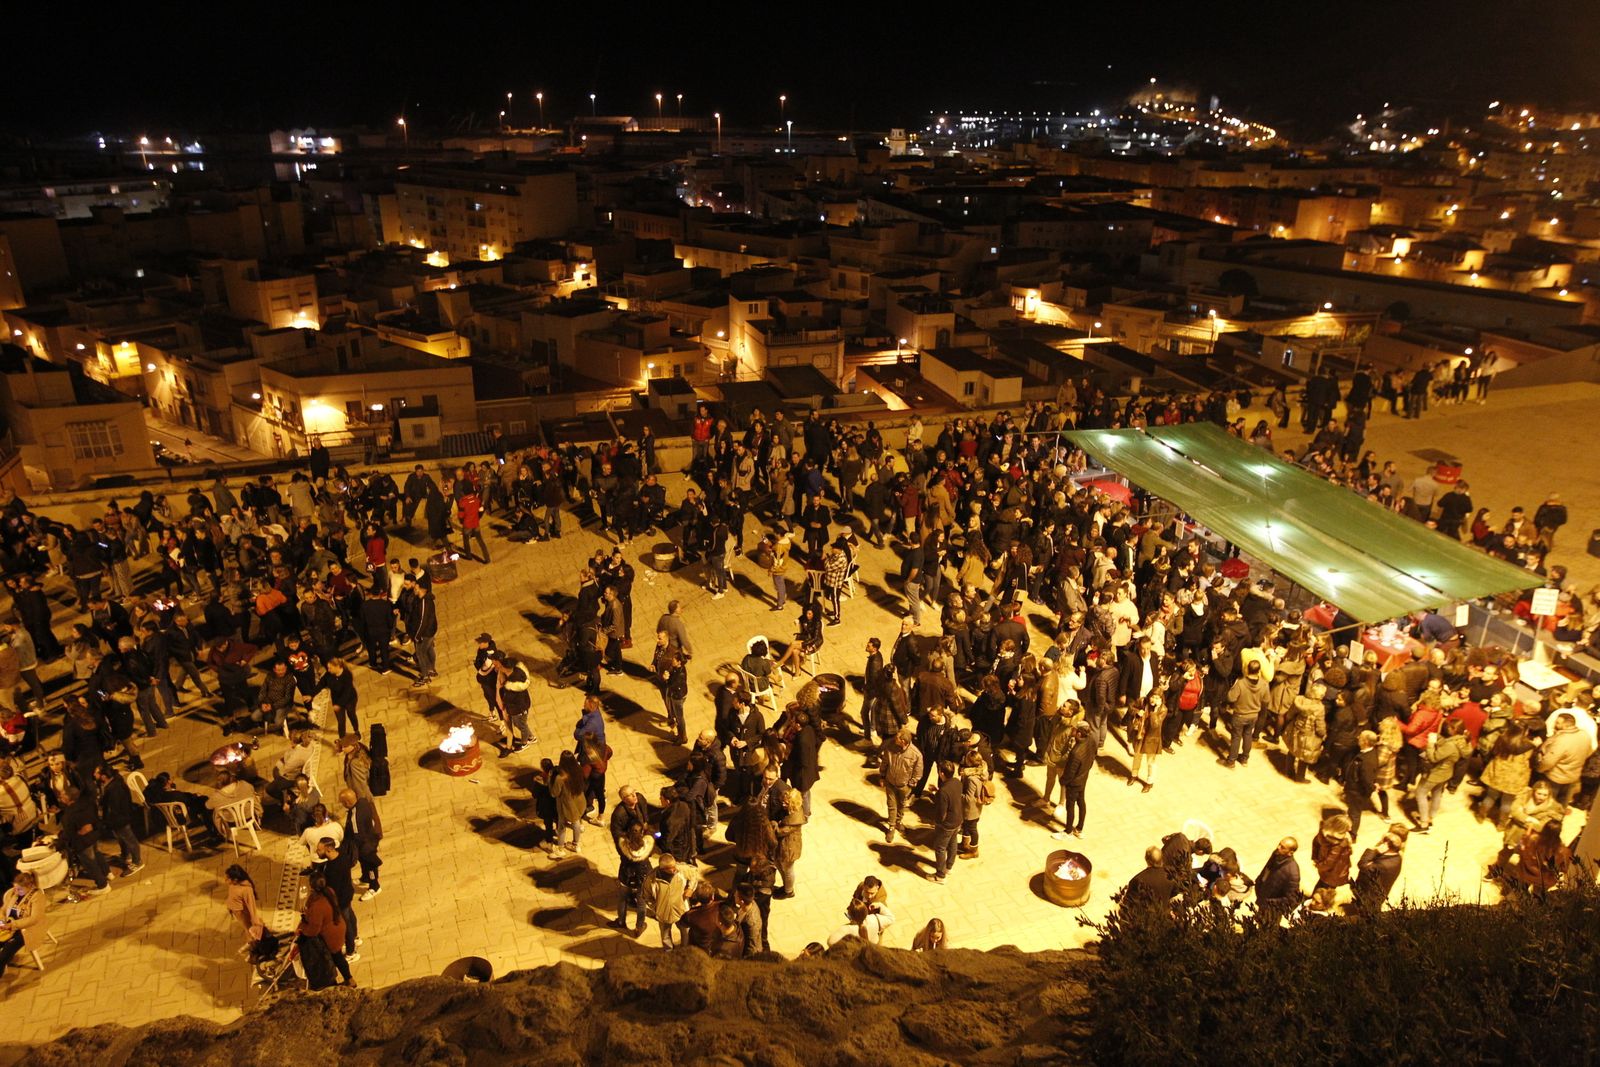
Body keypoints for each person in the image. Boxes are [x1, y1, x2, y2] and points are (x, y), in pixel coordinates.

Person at [297, 871, 353, 989]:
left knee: (335, 957)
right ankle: (349, 979)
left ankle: (347, 980)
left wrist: (302, 928)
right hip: (338, 927)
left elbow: (313, 930)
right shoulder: (329, 891)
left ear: (312, 886)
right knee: (338, 956)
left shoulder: (318, 906)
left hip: (331, 935)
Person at [1351, 824, 1409, 915]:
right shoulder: (1395, 854)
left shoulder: (1385, 864)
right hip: (1372, 891)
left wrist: (1374, 850)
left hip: (1370, 895)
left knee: (1366, 912)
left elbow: (1362, 864)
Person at [878, 727, 922, 844]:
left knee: (901, 805)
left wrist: (910, 785)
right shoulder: (890, 747)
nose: (895, 739)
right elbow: (885, 762)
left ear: (903, 741)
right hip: (890, 782)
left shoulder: (916, 754)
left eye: (897, 738)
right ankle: (891, 826)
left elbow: (918, 772)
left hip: (904, 786)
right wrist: (882, 776)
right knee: (891, 805)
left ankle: (898, 821)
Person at [0, 871, 48, 977]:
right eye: (15, 888)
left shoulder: (37, 896)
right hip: (9, 925)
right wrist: (2, 920)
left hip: (28, 930)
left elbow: (34, 919)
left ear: (29, 886)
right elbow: (3, 909)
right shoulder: (13, 893)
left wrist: (12, 925)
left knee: (5, 952)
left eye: (19, 889)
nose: (16, 891)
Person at [338, 787, 383, 901]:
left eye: (342, 802)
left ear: (347, 803)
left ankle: (374, 886)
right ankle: (365, 878)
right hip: (371, 837)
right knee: (364, 863)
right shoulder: (363, 802)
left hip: (365, 847)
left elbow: (358, 836)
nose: (342, 805)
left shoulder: (355, 819)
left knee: (370, 865)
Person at [609, 823, 654, 934]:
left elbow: (617, 834)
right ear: (642, 833)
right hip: (643, 877)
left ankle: (621, 922)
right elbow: (651, 835)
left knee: (623, 898)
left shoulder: (622, 845)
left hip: (626, 875)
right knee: (641, 902)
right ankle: (639, 927)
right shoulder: (648, 844)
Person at [929, 760, 963, 885]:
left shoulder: (943, 791)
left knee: (940, 848)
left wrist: (937, 823)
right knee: (953, 843)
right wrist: (937, 792)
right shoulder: (957, 782)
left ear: (941, 773)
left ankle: (940, 876)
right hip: (958, 819)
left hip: (947, 824)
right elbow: (951, 797)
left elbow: (942, 812)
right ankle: (949, 867)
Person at [1308, 816, 1352, 914]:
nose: (1349, 830)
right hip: (1335, 874)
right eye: (1346, 828)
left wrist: (1316, 860)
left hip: (1328, 872)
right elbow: (1329, 863)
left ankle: (1313, 902)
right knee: (1326, 893)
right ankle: (1318, 908)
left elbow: (1315, 843)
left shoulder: (1323, 831)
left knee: (1321, 885)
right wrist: (1319, 865)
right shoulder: (1340, 843)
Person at [1254, 837, 1301, 925]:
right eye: (1279, 844)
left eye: (1282, 847)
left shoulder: (1292, 872)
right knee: (1260, 921)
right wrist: (1259, 882)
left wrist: (1270, 902)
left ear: (1290, 853)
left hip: (1272, 909)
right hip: (1263, 898)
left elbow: (1291, 899)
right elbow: (1267, 868)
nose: (1278, 847)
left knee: (1269, 928)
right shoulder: (1276, 853)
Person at [1121, 845, 1178, 916]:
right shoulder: (1170, 873)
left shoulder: (1138, 879)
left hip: (1146, 919)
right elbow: (1175, 891)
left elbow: (1129, 901)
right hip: (1164, 916)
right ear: (1161, 858)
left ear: (1147, 860)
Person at [551, 752, 587, 857]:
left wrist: (550, 781)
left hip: (566, 805)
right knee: (577, 822)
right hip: (580, 800)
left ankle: (560, 849)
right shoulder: (578, 769)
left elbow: (554, 793)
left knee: (562, 826)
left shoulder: (560, 778)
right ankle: (575, 844)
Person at [222, 864, 265, 954]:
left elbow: (251, 906)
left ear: (235, 880)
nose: (225, 880)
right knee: (247, 928)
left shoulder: (246, 890)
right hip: (236, 911)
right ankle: (254, 942)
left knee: (249, 930)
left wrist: (255, 921)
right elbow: (232, 896)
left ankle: (255, 948)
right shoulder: (233, 885)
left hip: (242, 913)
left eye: (227, 879)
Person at [318, 658, 359, 739]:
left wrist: (339, 704)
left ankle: (356, 730)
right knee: (341, 721)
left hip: (349, 699)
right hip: (337, 701)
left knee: (351, 715)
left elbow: (346, 692)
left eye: (330, 668)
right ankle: (342, 738)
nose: (328, 670)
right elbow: (321, 684)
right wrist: (311, 694)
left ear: (337, 667)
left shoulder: (347, 675)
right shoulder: (328, 675)